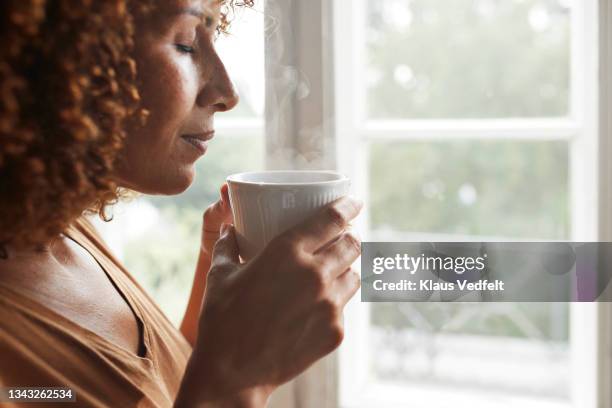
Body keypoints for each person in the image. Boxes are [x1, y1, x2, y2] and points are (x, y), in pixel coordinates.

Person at [0, 0, 362, 407]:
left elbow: (163, 393)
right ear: (63, 56)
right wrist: (237, 382)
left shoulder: (58, 230)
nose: (226, 92)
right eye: (188, 44)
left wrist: (225, 303)